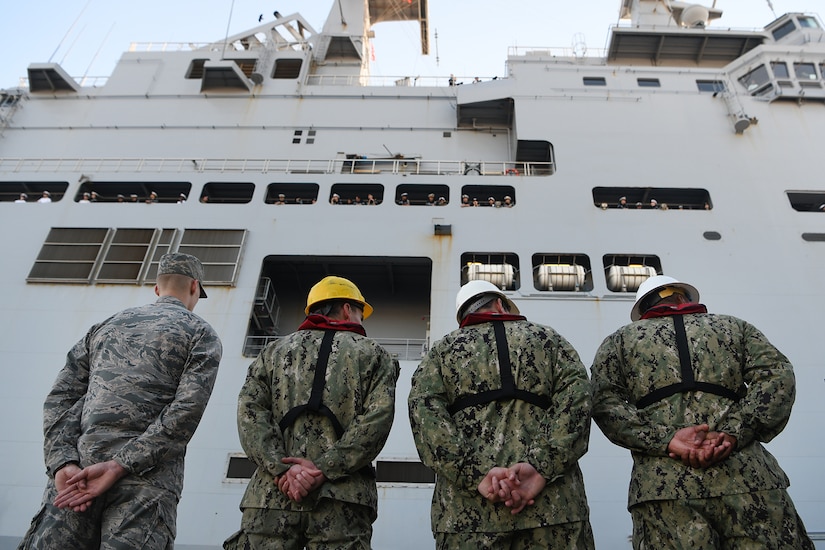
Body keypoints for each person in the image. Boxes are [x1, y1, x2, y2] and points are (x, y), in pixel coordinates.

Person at [590, 275, 814, 549]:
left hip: (664, 488)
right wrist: (733, 432)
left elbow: (603, 402)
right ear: (683, 298)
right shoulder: (735, 327)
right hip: (749, 479)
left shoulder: (619, 342)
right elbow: (776, 376)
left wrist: (666, 440)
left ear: (643, 312)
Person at [18, 253, 223, 550]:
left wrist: (62, 462)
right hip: (145, 484)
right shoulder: (201, 334)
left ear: (156, 288)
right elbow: (186, 411)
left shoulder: (105, 326)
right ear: (194, 287)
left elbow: (62, 397)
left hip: (76, 478)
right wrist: (121, 465)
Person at [408, 280, 594, 548]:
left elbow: (424, 413)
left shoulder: (442, 351)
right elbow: (579, 399)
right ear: (499, 303)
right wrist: (541, 467)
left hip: (466, 520)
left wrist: (477, 474)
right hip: (556, 511)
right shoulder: (549, 340)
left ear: (464, 317)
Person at [224, 276, 399, 549]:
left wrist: (281, 470)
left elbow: (250, 413)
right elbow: (377, 420)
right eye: (360, 312)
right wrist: (324, 468)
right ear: (345, 309)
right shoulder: (375, 355)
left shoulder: (273, 351)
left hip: (271, 496)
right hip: (343, 500)